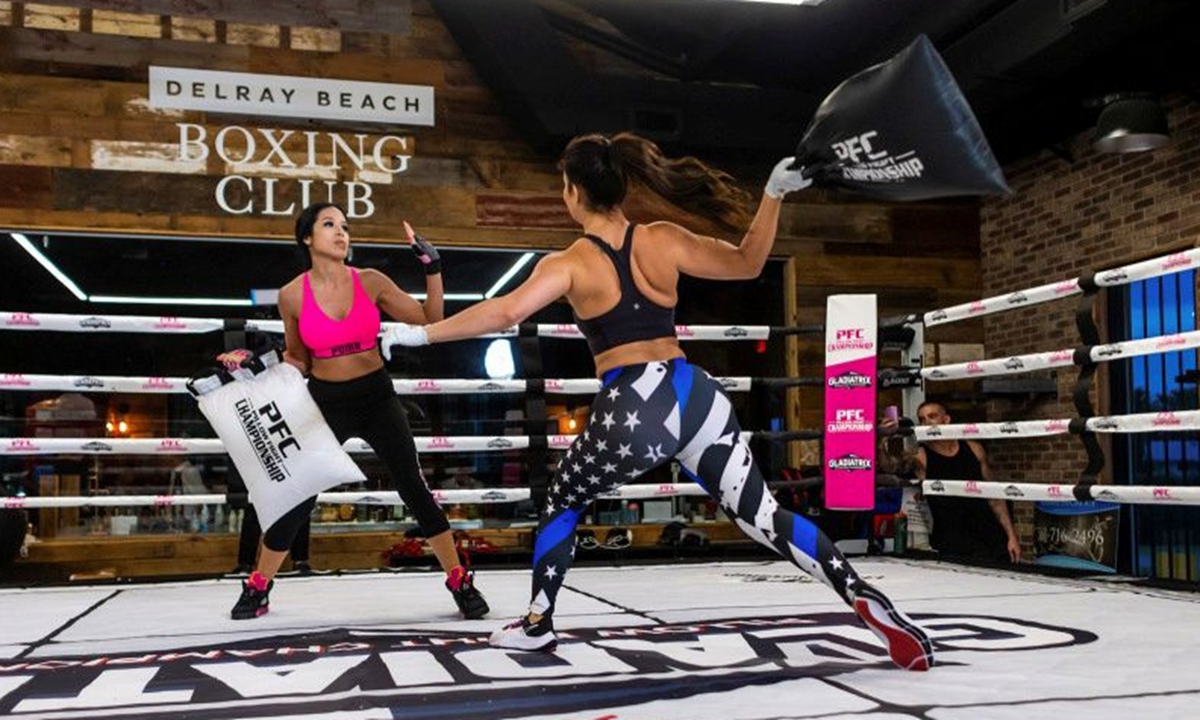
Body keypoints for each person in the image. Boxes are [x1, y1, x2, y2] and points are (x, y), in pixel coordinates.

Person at [382, 132, 934, 671]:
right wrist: (774, 193)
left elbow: (505, 313)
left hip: (634, 403)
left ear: (573, 191)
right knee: (764, 514)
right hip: (695, 393)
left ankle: (537, 622)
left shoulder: (569, 261)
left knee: (563, 500)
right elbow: (747, 261)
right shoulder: (661, 238)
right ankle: (858, 592)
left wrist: (419, 335)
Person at [224, 202, 488, 621]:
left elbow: (429, 322)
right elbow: (298, 359)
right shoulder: (292, 295)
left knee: (413, 487)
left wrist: (433, 268)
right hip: (326, 400)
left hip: (376, 397)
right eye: (330, 225)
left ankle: (458, 579)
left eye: (345, 226)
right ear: (307, 238)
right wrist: (255, 361)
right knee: (298, 496)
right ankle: (258, 586)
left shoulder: (371, 281)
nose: (341, 232)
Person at [914, 400, 1021, 565]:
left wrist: (1011, 536)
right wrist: (884, 437)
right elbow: (890, 464)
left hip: (990, 538)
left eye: (932, 416)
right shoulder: (920, 456)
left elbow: (995, 496)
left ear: (946, 419)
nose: (927, 422)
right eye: (921, 419)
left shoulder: (974, 449)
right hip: (952, 545)